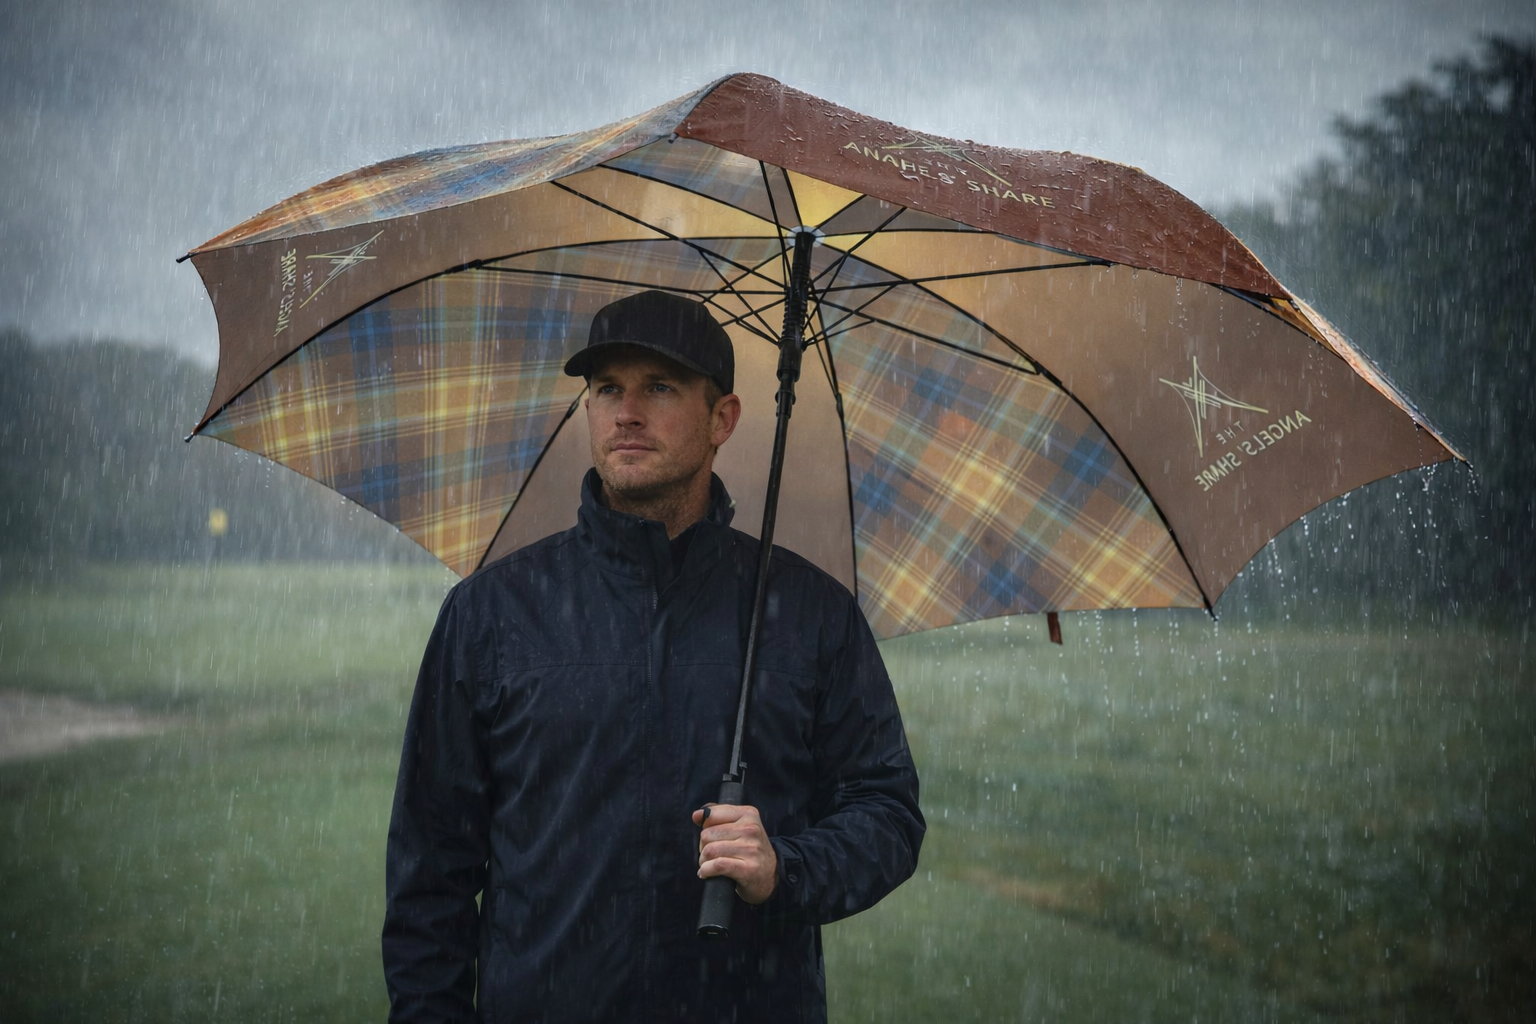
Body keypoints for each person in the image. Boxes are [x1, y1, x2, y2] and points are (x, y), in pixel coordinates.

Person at [382, 290, 924, 1023]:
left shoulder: (808, 613)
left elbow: (887, 814)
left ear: (721, 418)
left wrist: (785, 868)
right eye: (608, 389)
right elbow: (430, 871)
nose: (626, 413)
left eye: (660, 388)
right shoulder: (492, 614)